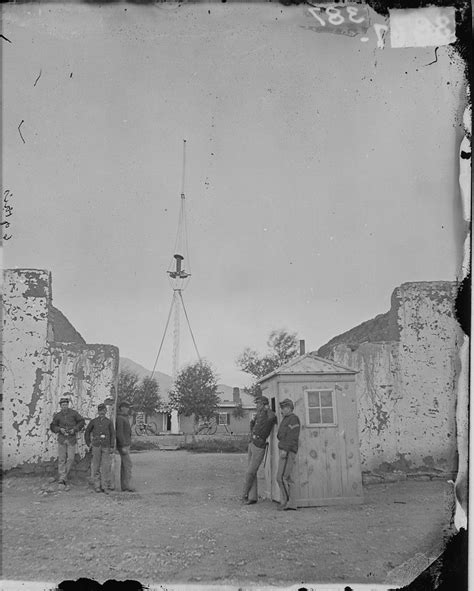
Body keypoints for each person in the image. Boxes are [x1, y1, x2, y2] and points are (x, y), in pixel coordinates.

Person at [242, 395, 277, 505]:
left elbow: (273, 417)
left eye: (258, 404)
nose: (257, 406)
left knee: (250, 472)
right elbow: (253, 426)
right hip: (252, 442)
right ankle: (252, 497)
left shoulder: (268, 414)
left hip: (259, 445)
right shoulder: (259, 414)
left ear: (263, 405)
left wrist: (267, 409)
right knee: (251, 472)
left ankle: (244, 494)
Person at [50, 395, 85, 489]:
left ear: (68, 405)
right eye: (63, 405)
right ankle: (62, 479)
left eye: (66, 404)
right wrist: (59, 429)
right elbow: (52, 426)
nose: (64, 406)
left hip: (71, 439)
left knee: (70, 458)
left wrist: (75, 429)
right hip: (61, 439)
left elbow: (81, 422)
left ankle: (63, 477)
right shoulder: (58, 415)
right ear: (60, 406)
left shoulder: (74, 413)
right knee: (61, 459)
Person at [84, 403, 115, 494]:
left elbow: (112, 434)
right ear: (98, 412)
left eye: (103, 410)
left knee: (105, 466)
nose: (102, 412)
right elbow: (87, 432)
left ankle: (105, 486)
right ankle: (97, 486)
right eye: (100, 410)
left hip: (106, 446)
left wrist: (112, 446)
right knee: (96, 466)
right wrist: (89, 443)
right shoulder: (93, 421)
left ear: (105, 411)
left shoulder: (109, 422)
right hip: (96, 446)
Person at [276, 398, 301, 511]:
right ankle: (290, 503)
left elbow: (292, 437)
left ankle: (288, 503)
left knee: (282, 477)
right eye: (282, 408)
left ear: (290, 408)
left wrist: (285, 450)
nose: (282, 410)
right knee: (284, 477)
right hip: (284, 449)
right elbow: (280, 435)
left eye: (284, 407)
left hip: (288, 451)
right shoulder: (286, 419)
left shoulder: (293, 419)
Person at [115, 401, 135, 492]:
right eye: (126, 407)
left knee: (125, 465)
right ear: (122, 408)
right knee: (128, 465)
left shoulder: (124, 417)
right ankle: (126, 486)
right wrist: (123, 445)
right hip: (123, 445)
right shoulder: (120, 418)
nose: (128, 409)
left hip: (126, 444)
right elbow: (119, 433)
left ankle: (125, 486)